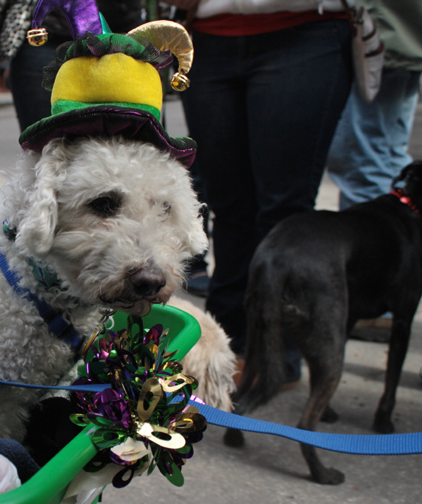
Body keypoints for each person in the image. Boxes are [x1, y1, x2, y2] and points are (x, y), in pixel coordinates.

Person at [163, 0, 354, 383]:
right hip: (207, 36)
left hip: (304, 30)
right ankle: (220, 348)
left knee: (283, 212)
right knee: (227, 208)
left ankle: (276, 353)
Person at [326, 0, 422, 343]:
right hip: (400, 35)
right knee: (384, 150)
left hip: (385, 32)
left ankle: (374, 298)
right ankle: (398, 286)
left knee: (364, 158)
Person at [0, 0, 144, 132]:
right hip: (44, 37)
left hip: (111, 37)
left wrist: (138, 44)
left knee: (123, 142)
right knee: (43, 144)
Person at [327, 0, 422, 209]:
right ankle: (406, 235)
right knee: (388, 154)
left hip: (377, 38)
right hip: (401, 37)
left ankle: (374, 238)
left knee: (359, 161)